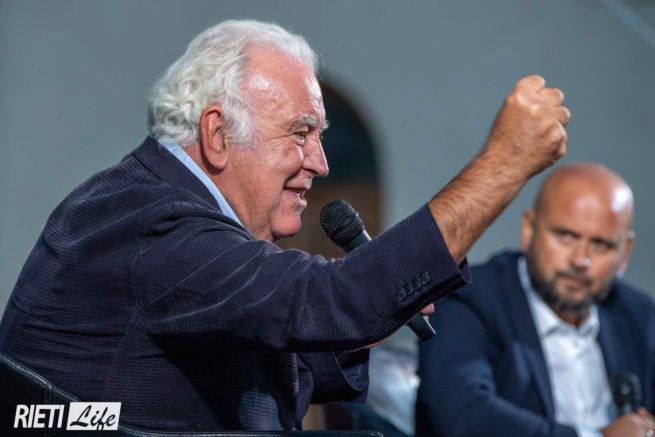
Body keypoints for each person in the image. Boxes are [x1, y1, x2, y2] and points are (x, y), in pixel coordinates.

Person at [0, 19, 569, 432]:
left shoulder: (161, 212)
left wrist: (373, 309)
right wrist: (504, 164)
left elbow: (276, 353)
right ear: (218, 135)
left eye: (320, 136)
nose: (320, 163)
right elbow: (328, 300)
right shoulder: (156, 223)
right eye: (300, 133)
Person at [416, 163, 655, 437]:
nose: (580, 260)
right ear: (529, 230)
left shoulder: (638, 315)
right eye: (566, 236)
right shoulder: (468, 299)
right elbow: (465, 417)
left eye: (600, 244)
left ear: (625, 252)